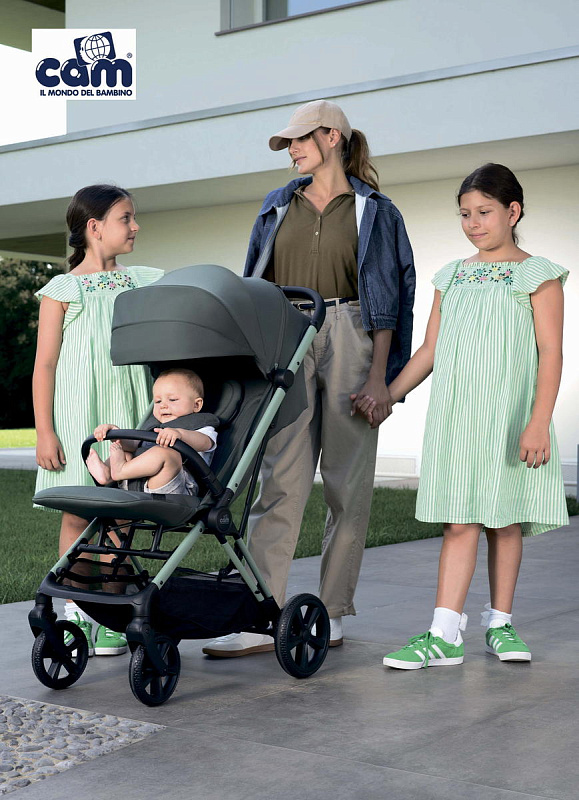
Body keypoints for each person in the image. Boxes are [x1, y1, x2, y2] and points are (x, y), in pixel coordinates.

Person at [202, 99, 415, 657]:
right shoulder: (277, 205)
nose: (292, 150)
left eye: (300, 139)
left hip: (353, 333)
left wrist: (380, 378)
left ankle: (332, 610)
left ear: (332, 137)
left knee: (347, 484)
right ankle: (258, 614)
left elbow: (391, 300)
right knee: (279, 479)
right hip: (289, 333)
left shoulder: (377, 211)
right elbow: (254, 283)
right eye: (289, 143)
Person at [382, 163, 569, 669]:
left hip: (510, 420)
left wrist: (538, 421)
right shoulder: (452, 276)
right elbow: (430, 350)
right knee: (459, 521)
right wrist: (387, 396)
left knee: (504, 522)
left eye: (484, 212)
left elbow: (551, 353)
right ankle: (444, 634)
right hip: (457, 421)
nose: (473, 223)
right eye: (465, 214)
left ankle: (500, 624)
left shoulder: (538, 275)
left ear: (513, 211)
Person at [33, 184, 163, 657]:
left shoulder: (143, 283)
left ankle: (110, 614)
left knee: (122, 516)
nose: (135, 226)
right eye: (126, 218)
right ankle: (76, 613)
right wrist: (45, 432)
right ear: (94, 227)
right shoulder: (63, 291)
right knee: (78, 512)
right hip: (78, 418)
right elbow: (45, 365)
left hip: (127, 415)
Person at [87, 368, 217, 494]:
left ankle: (120, 470)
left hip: (177, 486)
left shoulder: (201, 426)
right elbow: (134, 444)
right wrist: (115, 433)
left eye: (172, 399)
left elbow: (205, 443)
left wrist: (180, 434)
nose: (163, 405)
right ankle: (107, 475)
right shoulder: (154, 425)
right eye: (158, 401)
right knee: (124, 450)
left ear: (196, 405)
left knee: (166, 453)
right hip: (135, 483)